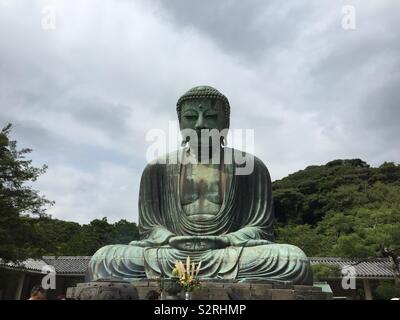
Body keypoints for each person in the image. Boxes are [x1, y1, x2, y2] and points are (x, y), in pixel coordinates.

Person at [89, 86, 312, 284]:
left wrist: (226, 239)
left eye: (211, 116)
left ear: (226, 123)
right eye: (190, 117)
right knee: (105, 259)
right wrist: (168, 238)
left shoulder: (251, 167)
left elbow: (260, 228)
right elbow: (150, 228)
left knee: (292, 259)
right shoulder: (157, 168)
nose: (200, 125)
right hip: (171, 252)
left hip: (228, 252)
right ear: (180, 123)